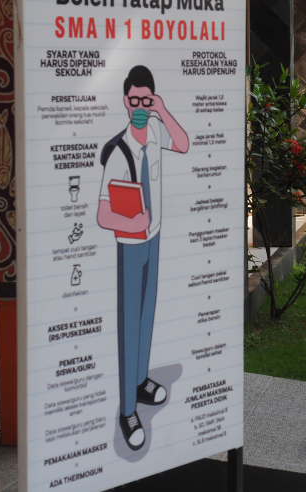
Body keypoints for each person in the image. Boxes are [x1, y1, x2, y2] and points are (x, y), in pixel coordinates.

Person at [97, 65, 190, 450]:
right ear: (125, 101)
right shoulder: (117, 152)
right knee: (128, 327)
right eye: (134, 100)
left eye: (145, 100)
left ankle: (139, 382)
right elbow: (103, 214)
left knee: (146, 317)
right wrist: (131, 219)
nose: (139, 106)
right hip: (130, 244)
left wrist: (162, 110)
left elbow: (183, 144)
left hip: (154, 237)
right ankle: (126, 410)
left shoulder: (153, 133)